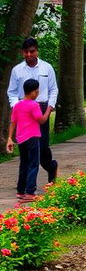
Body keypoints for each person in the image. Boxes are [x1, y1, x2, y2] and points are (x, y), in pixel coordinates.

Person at [8, 36, 58, 183]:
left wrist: (50, 106)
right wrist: (17, 106)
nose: (29, 55)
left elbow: (53, 89)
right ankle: (26, 185)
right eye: (26, 52)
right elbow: (11, 92)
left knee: (41, 146)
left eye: (32, 51)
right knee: (26, 147)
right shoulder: (17, 70)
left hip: (41, 109)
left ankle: (51, 166)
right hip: (23, 110)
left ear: (37, 51)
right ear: (22, 52)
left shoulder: (47, 68)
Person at [6, 78, 52, 201]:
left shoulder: (17, 105)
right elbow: (41, 120)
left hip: (21, 138)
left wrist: (10, 138)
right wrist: (48, 110)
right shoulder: (34, 105)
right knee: (33, 164)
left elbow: (13, 122)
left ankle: (20, 191)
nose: (37, 94)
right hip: (32, 137)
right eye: (36, 91)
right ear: (32, 92)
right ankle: (30, 192)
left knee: (24, 164)